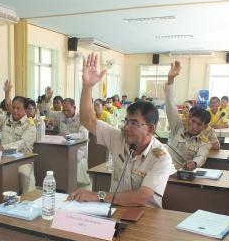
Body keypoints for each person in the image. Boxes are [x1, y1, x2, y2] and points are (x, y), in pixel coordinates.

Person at [68, 53, 174, 208]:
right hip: (114, 210)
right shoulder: (119, 137)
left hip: (146, 218)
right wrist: (87, 87)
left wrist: (97, 195)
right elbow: (87, 120)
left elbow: (141, 198)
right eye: (126, 121)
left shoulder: (161, 157)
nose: (126, 127)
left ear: (150, 129)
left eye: (134, 123)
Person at [0, 77, 37, 194]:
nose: (14, 110)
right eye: (13, 107)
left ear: (25, 110)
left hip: (22, 160)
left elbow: (23, 143)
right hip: (2, 159)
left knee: (26, 176)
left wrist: (3, 148)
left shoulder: (30, 125)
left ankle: (29, 202)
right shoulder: (5, 119)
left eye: (18, 108)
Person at [165, 61, 213, 170]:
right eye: (193, 121)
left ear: (205, 127)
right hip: (166, 171)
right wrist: (170, 80)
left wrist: (194, 163)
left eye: (199, 124)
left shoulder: (205, 142)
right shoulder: (178, 127)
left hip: (184, 175)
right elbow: (170, 106)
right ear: (189, 118)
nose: (194, 126)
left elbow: (201, 156)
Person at [48, 98, 90, 185]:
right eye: (64, 110)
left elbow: (83, 135)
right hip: (62, 146)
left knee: (70, 160)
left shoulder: (82, 117)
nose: (66, 113)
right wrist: (47, 100)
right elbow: (48, 113)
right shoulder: (61, 114)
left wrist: (67, 136)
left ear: (74, 107)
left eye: (68, 110)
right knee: (50, 157)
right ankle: (58, 182)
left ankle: (69, 184)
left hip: (79, 148)